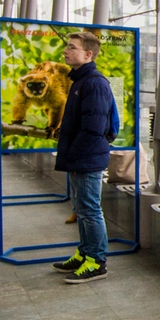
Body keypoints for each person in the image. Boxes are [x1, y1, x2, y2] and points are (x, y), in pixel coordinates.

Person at [52, 32, 114, 283]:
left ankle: (97, 261)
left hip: (87, 159)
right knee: (82, 208)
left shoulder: (94, 83)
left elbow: (93, 129)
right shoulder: (80, 81)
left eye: (71, 47)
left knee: (90, 210)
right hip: (81, 158)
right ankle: (85, 252)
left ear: (88, 54)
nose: (65, 51)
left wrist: (74, 154)